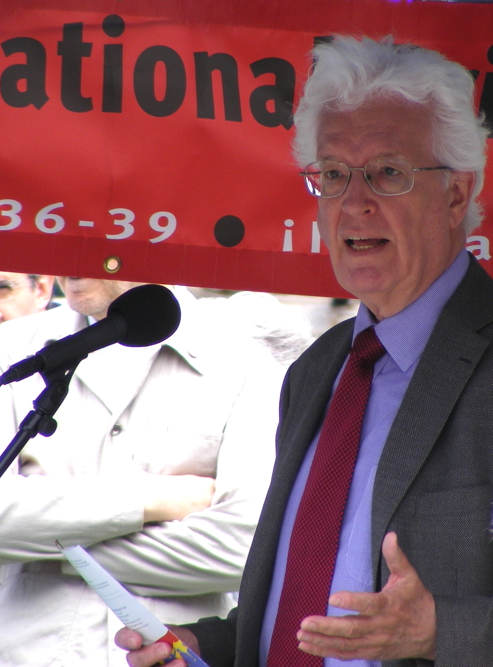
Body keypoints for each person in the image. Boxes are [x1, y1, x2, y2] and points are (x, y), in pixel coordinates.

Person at [116, 35, 493, 667]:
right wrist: (206, 648)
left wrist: (441, 631)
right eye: (334, 175)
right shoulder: (315, 371)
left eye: (389, 173)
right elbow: (298, 605)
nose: (355, 202)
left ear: (457, 193)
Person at [0, 276, 297, 666]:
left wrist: (35, 544)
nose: (70, 263)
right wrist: (148, 501)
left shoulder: (246, 361)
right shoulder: (9, 350)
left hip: (166, 655)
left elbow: (245, 549)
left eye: (99, 231)